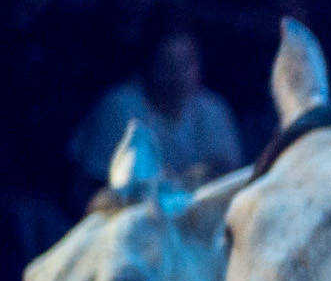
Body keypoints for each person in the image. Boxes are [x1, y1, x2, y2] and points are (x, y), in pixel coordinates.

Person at [67, 17, 240, 189]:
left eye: (186, 64)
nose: (178, 76)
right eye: (167, 64)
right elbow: (87, 187)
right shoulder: (119, 108)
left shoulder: (213, 110)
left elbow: (229, 179)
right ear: (148, 64)